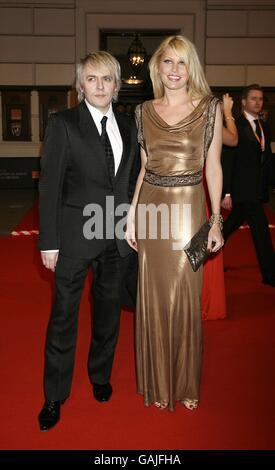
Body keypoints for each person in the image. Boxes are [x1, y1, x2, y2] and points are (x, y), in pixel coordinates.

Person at [38, 51, 139, 431]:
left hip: (115, 238)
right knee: (64, 317)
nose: (100, 86)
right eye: (92, 79)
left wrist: (132, 222)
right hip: (73, 240)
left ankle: (100, 376)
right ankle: (54, 395)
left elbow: (130, 181)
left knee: (108, 315)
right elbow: (49, 186)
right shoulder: (63, 124)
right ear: (80, 85)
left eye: (107, 79)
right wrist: (49, 241)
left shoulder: (129, 126)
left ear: (116, 85)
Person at [126, 35, 223, 411]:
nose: (175, 70)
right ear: (157, 67)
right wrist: (133, 215)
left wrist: (215, 221)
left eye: (182, 63)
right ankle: (155, 380)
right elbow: (144, 167)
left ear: (191, 68)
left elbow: (212, 167)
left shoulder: (209, 107)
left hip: (188, 207)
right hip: (151, 206)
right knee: (151, 294)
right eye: (168, 62)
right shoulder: (143, 111)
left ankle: (183, 383)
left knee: (183, 293)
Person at [222, 84, 275, 287]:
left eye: (260, 99)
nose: (258, 102)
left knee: (228, 227)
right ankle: (270, 275)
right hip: (241, 190)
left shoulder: (264, 126)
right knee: (261, 231)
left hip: (256, 189)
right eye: (253, 98)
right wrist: (226, 192)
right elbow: (228, 161)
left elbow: (266, 159)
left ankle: (204, 257)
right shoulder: (235, 124)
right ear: (243, 102)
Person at [202, 93, 238, 320]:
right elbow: (233, 139)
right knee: (205, 238)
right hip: (205, 181)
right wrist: (227, 113)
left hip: (204, 180)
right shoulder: (209, 116)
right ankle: (205, 300)